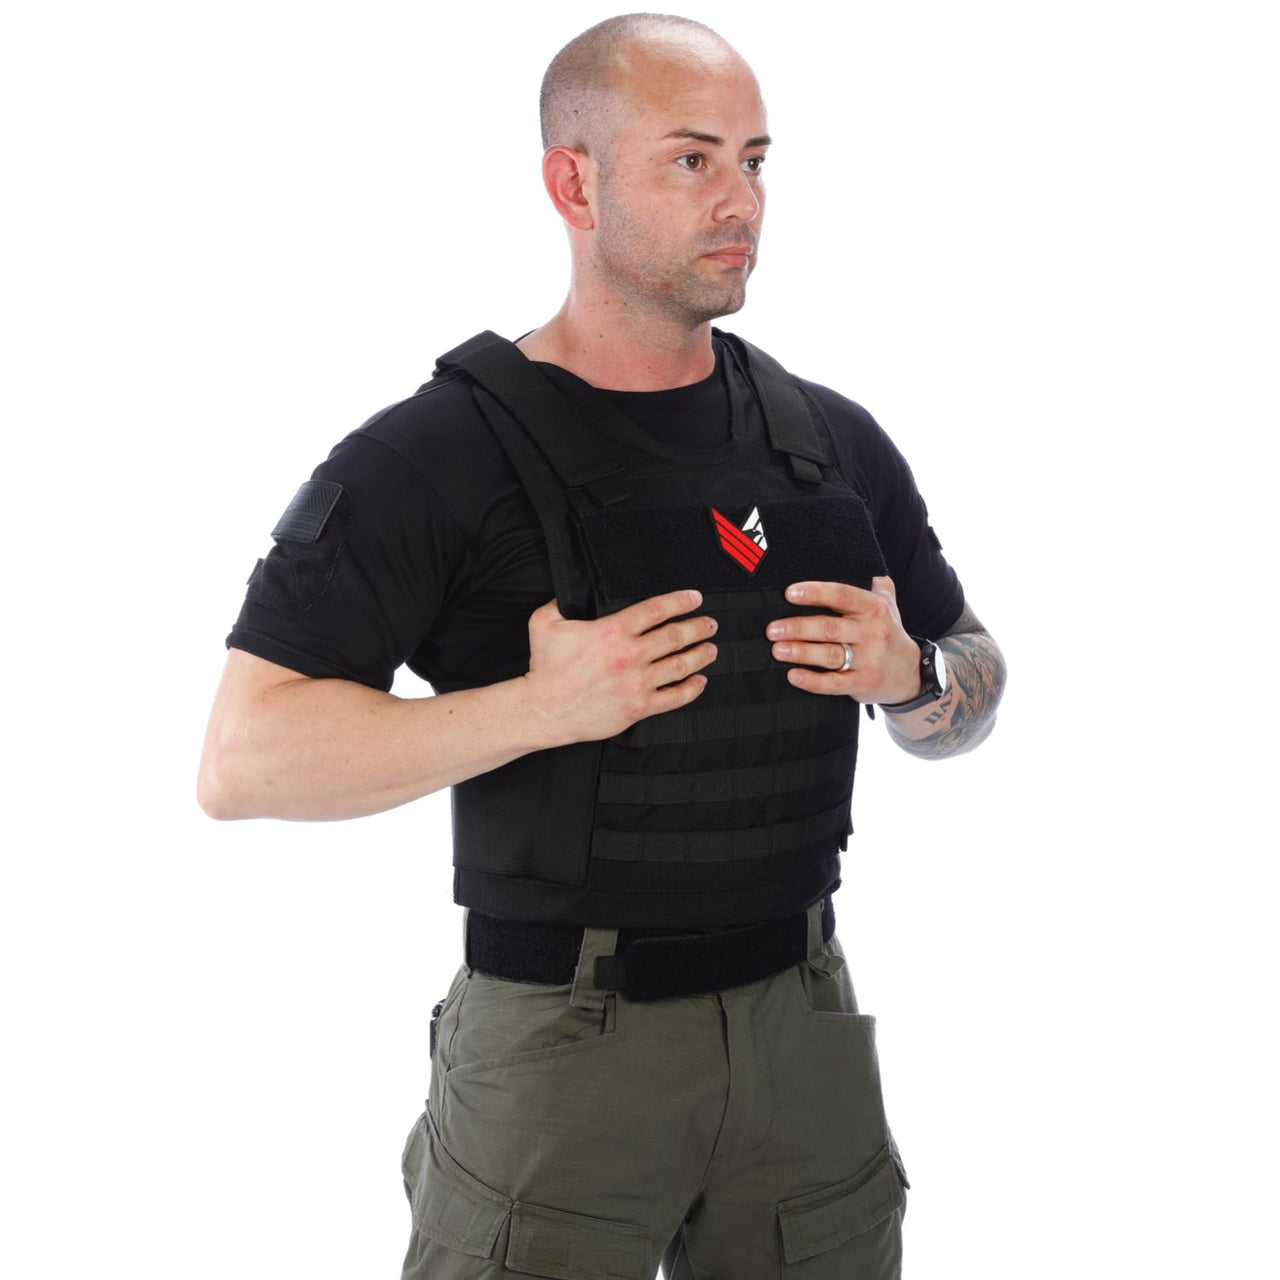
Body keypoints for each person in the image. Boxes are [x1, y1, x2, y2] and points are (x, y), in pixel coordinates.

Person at [199, 13, 1006, 1278]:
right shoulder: (432, 457)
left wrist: (915, 680)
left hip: (804, 1018)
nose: (740, 199)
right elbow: (242, 759)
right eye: (691, 161)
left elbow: (968, 663)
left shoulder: (828, 440)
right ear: (571, 182)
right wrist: (535, 705)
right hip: (559, 1045)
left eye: (755, 159)